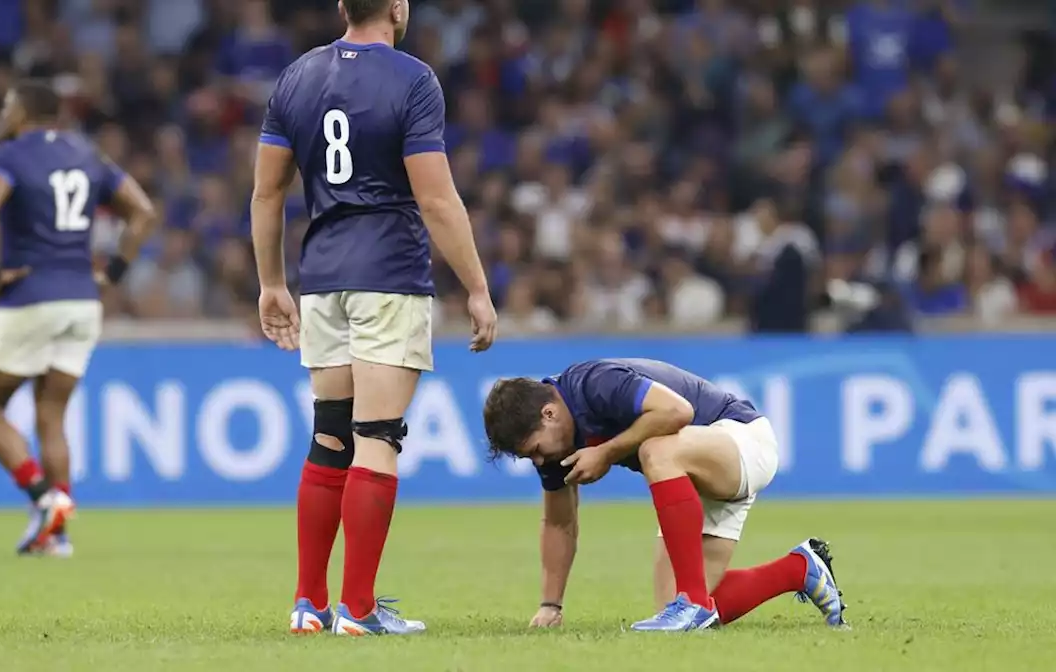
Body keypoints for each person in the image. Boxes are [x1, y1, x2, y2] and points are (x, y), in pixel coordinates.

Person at [251, 0, 498, 637]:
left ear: (341, 7)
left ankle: (310, 603)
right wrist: (476, 285)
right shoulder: (414, 80)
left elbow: (267, 191)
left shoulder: (297, 77)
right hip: (387, 274)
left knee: (329, 436)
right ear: (397, 7)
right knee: (377, 438)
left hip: (321, 280)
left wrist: (271, 283)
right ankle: (358, 609)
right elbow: (436, 196)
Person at [482, 358, 847, 632]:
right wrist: (551, 605)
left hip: (739, 439)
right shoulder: (554, 445)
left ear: (548, 413)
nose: (538, 460)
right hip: (691, 474)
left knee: (655, 450)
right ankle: (800, 569)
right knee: (680, 610)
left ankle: (692, 602)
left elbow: (678, 411)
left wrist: (606, 452)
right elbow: (560, 522)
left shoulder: (595, 384)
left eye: (534, 449)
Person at [0, 80, 157, 557]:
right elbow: (143, 212)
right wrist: (112, 271)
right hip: (82, 300)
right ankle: (58, 535)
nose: (2, 114)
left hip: (31, 294)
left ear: (26, 111)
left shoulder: (7, 155)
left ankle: (43, 499)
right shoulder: (87, 155)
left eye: (7, 104)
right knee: (51, 415)